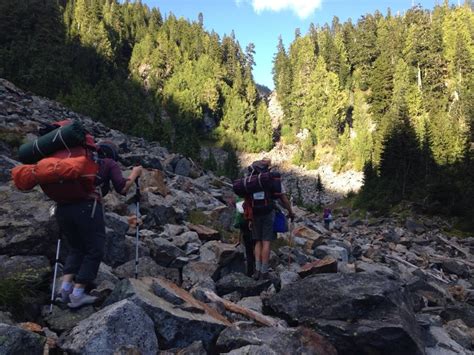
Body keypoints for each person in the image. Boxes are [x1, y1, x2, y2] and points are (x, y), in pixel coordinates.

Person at [56, 141, 142, 308]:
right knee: (95, 249)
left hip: (62, 208)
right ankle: (77, 294)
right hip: (87, 208)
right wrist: (134, 174)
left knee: (76, 248)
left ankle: (64, 291)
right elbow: (122, 188)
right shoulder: (108, 163)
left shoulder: (78, 162)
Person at [250, 158, 294, 280]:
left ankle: (257, 270)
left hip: (254, 213)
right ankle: (264, 272)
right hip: (268, 212)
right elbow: (283, 198)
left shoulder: (251, 178)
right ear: (268, 167)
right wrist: (290, 212)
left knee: (257, 241)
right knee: (266, 241)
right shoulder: (272, 179)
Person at [233, 198, 255, 277]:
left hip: (244, 224)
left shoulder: (239, 199)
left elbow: (239, 221)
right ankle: (259, 270)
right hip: (254, 223)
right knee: (256, 246)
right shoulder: (252, 196)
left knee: (248, 250)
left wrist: (239, 239)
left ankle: (250, 272)